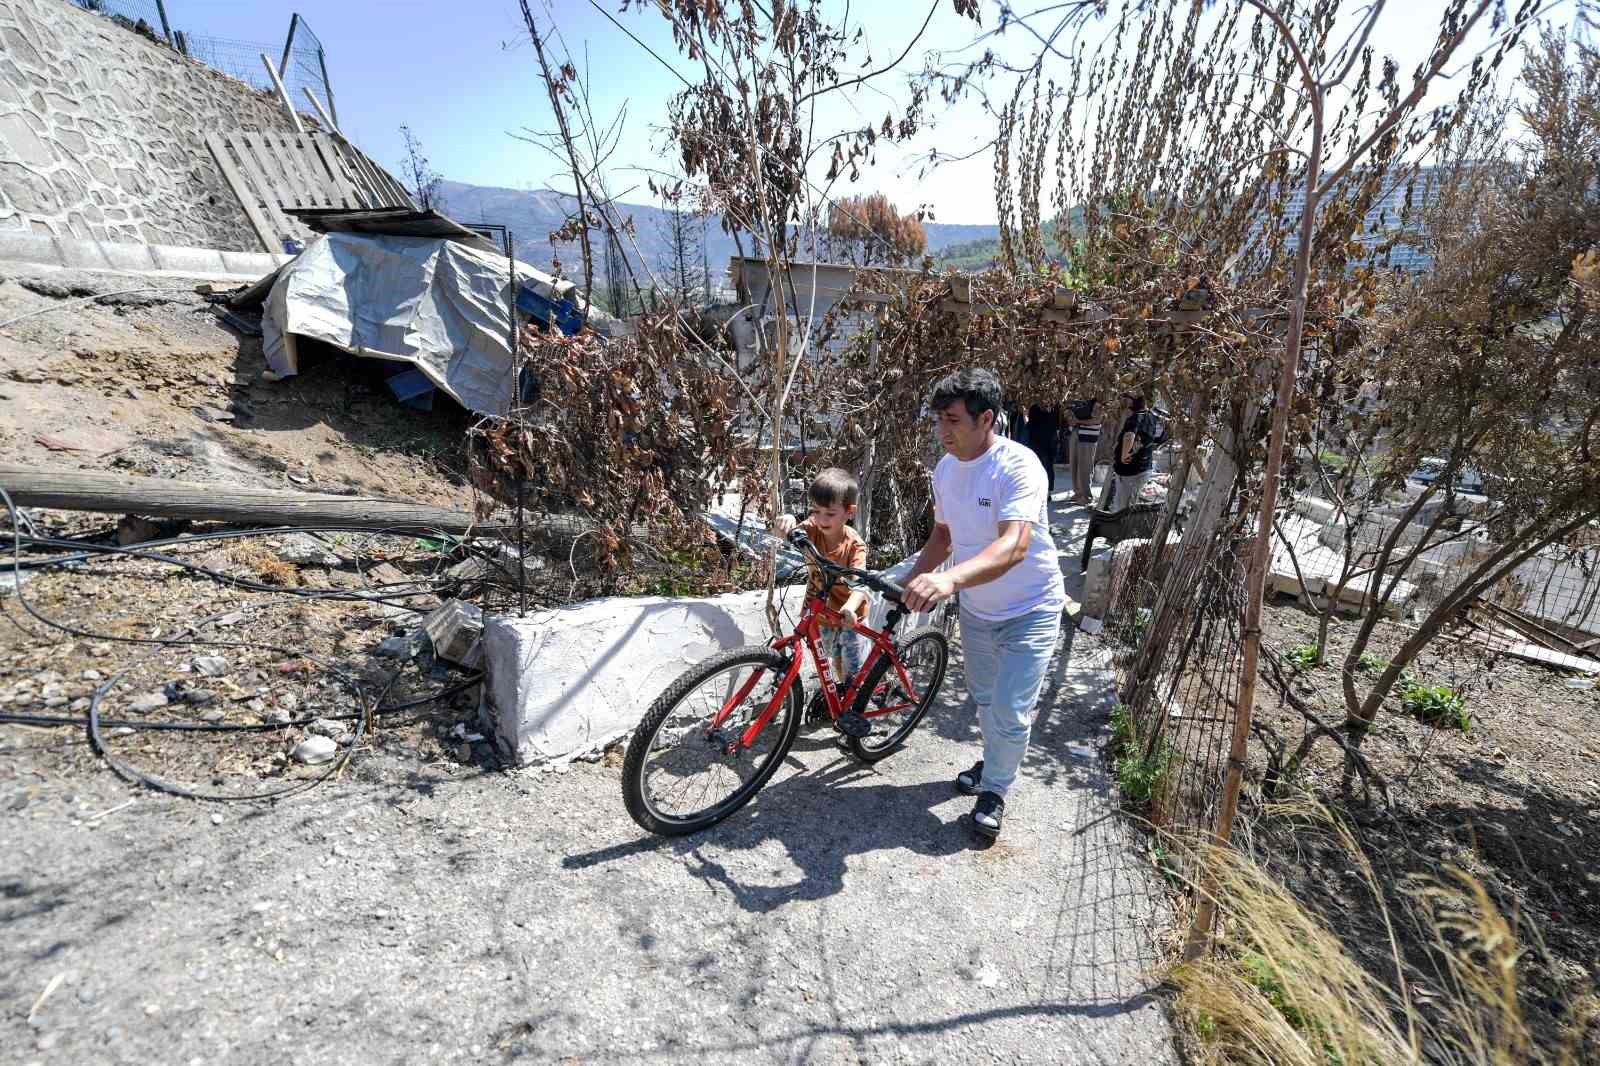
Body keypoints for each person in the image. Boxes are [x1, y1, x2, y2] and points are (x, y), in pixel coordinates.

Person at [902, 369, 1065, 839]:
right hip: (977, 610)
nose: (942, 431)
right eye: (937, 420)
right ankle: (995, 759)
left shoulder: (1019, 466)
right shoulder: (947, 469)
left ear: (986, 419)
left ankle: (995, 788)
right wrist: (909, 583)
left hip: (1031, 608)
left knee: (1011, 709)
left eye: (952, 420)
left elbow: (1013, 546)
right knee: (987, 700)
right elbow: (944, 535)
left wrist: (948, 580)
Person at [773, 467, 870, 691]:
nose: (821, 518)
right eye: (816, 511)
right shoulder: (812, 529)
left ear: (849, 512)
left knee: (852, 670)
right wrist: (785, 521)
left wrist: (850, 608)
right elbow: (783, 532)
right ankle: (844, 697)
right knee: (834, 659)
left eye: (830, 513)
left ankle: (855, 702)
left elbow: (860, 583)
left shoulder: (855, 545)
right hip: (821, 613)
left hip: (849, 615)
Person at [1111, 392, 1158, 511]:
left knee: (1121, 506)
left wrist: (1124, 455)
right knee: (1132, 504)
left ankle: (1120, 528)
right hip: (1144, 468)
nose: (1124, 400)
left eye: (1126, 398)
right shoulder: (1151, 416)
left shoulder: (1135, 418)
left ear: (1133, 401)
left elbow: (1129, 435)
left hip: (1129, 472)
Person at [1067, 397, 1101, 504]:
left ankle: (1087, 496)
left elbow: (1097, 419)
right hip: (1076, 432)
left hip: (1088, 436)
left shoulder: (1099, 401)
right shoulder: (1080, 399)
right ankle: (1078, 493)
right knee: (1074, 464)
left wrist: (1078, 421)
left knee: (1085, 466)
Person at [1024, 403, 1062, 494]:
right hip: (1048, 442)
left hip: (1038, 442)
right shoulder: (1054, 407)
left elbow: (1029, 425)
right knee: (1048, 466)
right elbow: (1057, 425)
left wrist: (1025, 415)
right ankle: (1047, 491)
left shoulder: (1035, 407)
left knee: (1039, 466)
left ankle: (1039, 490)